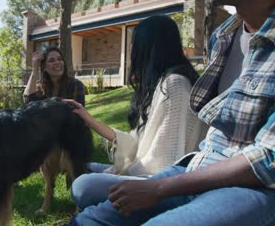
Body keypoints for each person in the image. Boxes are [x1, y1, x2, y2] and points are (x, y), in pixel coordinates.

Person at [66, 0, 275, 225]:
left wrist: (158, 188)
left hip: (257, 187)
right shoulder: (222, 39)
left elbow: (268, 160)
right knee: (89, 214)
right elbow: (141, 142)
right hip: (199, 167)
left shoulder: (175, 83)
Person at [65, 15, 207, 210]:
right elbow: (136, 143)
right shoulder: (162, 83)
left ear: (149, 46)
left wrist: (120, 174)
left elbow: (164, 161)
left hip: (160, 185)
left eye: (135, 44)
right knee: (84, 166)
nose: (132, 51)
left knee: (83, 185)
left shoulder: (175, 84)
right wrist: (88, 118)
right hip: (144, 173)